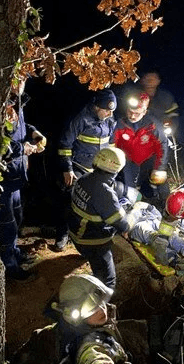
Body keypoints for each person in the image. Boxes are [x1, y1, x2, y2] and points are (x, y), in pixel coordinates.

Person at [0, 79, 47, 281]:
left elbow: (19, 126)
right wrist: (22, 149)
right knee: (6, 226)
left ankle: (16, 254)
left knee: (16, 219)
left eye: (23, 79)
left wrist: (34, 133)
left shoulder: (15, 101)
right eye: (16, 79)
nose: (20, 83)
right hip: (1, 179)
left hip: (15, 176)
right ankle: (10, 269)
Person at [55, 89, 118, 251]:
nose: (109, 114)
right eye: (106, 110)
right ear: (97, 106)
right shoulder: (81, 118)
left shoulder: (110, 120)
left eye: (112, 111)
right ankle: (63, 234)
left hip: (98, 171)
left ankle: (88, 235)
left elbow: (111, 145)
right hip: (78, 168)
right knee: (70, 201)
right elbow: (64, 145)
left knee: (96, 203)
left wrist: (111, 167)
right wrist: (67, 169)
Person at [67, 148, 134, 290]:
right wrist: (127, 228)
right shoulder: (104, 192)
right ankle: (100, 303)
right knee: (107, 280)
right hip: (92, 241)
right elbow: (118, 221)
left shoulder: (84, 178)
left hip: (75, 232)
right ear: (117, 168)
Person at [47, 274, 129, 364]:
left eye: (101, 302)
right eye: (91, 309)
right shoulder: (89, 347)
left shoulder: (72, 326)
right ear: (76, 317)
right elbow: (95, 358)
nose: (101, 310)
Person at [113, 89, 169, 208]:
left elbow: (162, 146)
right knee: (130, 190)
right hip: (129, 162)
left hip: (150, 160)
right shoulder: (120, 124)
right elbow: (113, 145)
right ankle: (133, 210)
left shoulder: (153, 125)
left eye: (137, 113)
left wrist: (160, 167)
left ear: (144, 111)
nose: (132, 116)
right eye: (130, 112)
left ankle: (169, 206)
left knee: (160, 181)